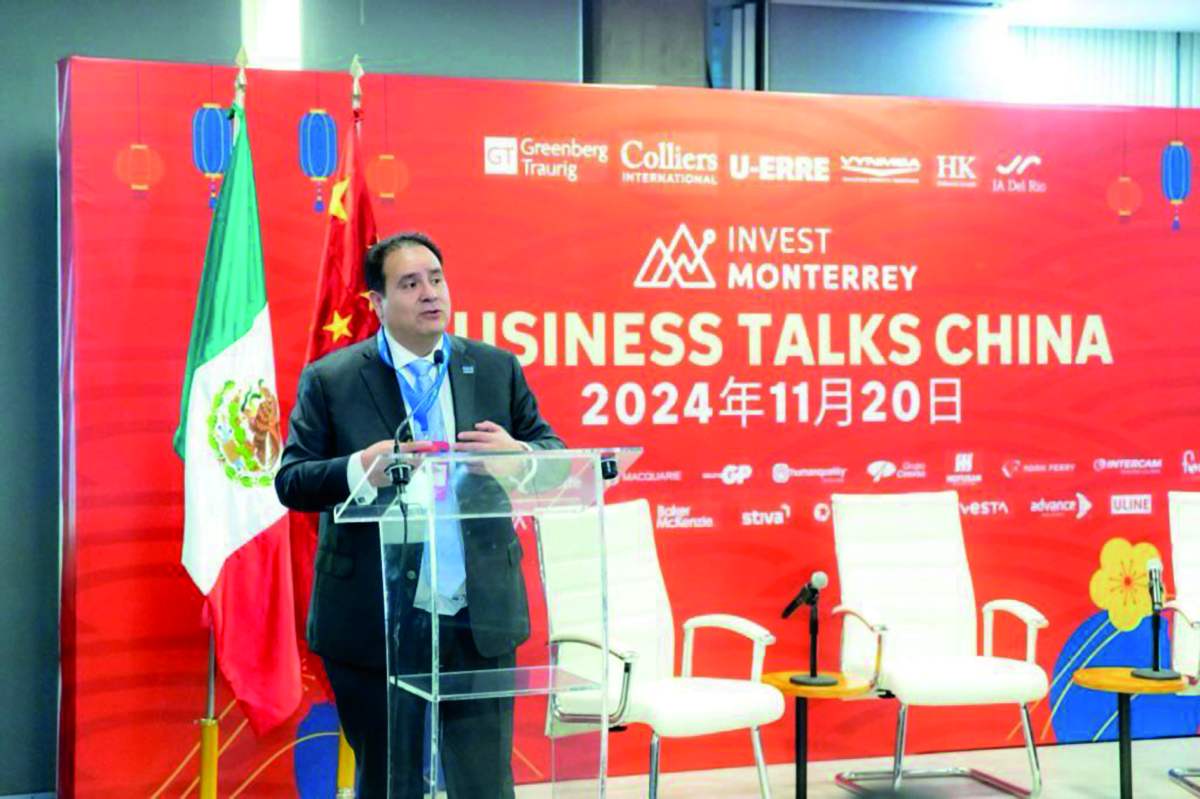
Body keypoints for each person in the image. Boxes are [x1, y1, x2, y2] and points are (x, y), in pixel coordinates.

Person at [276, 231, 564, 798]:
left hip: (477, 615)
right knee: (391, 782)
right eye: (410, 284)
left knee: (485, 784)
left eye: (436, 279)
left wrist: (521, 457)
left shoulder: (495, 368)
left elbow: (555, 456)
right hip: (375, 617)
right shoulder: (332, 380)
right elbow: (292, 480)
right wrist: (358, 468)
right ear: (377, 303)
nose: (430, 293)